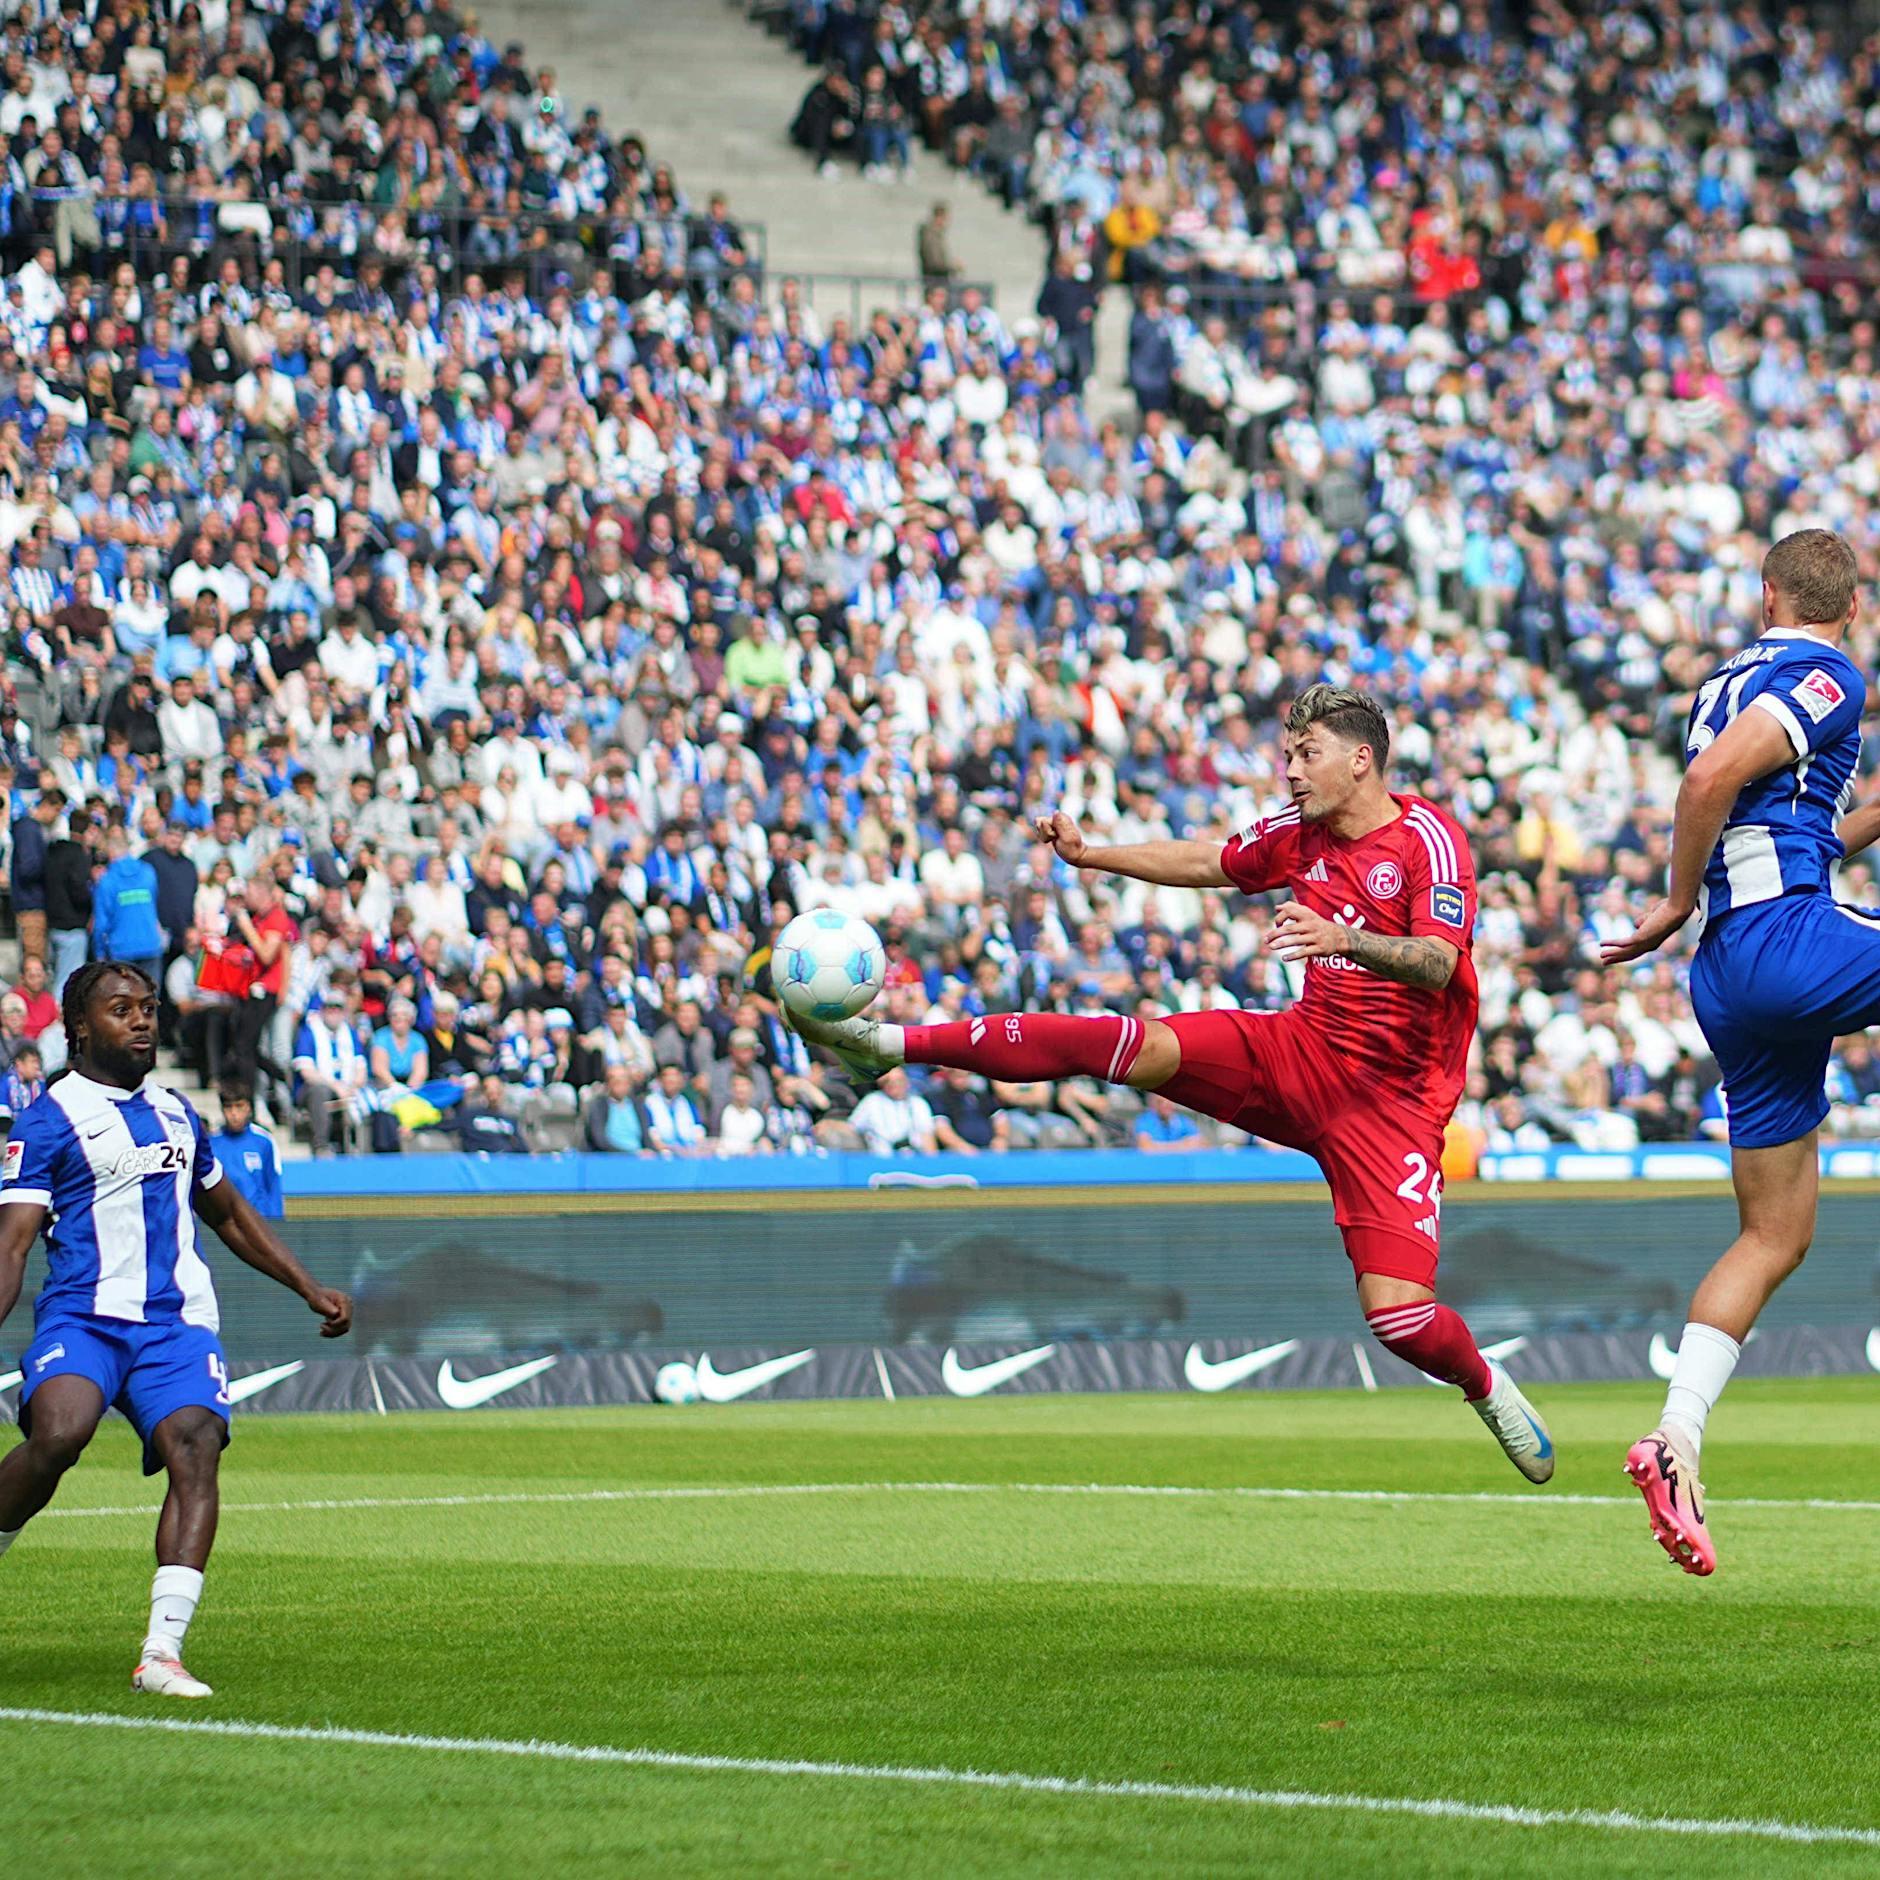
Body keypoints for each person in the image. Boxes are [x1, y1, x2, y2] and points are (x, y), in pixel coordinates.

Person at [787, 684, 1554, 1480]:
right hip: (1299, 1052)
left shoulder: (1429, 840)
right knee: (1121, 1041)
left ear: (1362, 760)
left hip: (1390, 1107)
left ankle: (1487, 1386)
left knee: (1400, 1322)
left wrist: (1343, 938)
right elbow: (1209, 860)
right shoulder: (1301, 835)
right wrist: (1093, 856)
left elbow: (1439, 963)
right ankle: (889, 1044)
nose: (1289, 770)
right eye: (1288, 754)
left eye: (1306, 754)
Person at [1601, 529, 1872, 1576]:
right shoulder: (1827, 672)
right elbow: (1715, 780)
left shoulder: (1725, 676)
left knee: (1773, 1232)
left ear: (1764, 592)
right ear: (1846, 605)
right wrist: (1671, 897)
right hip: (1774, 938)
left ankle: (1673, 1437)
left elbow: (1794, 825)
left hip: (1731, 972)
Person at [0, 962, 352, 1698]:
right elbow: (13, 1244)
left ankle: (161, 1652)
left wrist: (308, 1286)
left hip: (175, 1323)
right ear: (79, 1028)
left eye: (149, 1008)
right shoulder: (46, 1121)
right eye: (121, 1009)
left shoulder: (176, 1114)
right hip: (85, 1316)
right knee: (60, 1434)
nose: (142, 1021)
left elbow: (226, 1215)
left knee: (197, 1447)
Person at [206, 1080, 282, 1219]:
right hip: (224, 1225)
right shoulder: (211, 1143)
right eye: (229, 1107)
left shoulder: (264, 1141)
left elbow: (273, 1185)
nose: (234, 1113)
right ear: (222, 1109)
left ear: (249, 1108)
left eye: (239, 1106)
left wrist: (278, 1223)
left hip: (259, 1222)